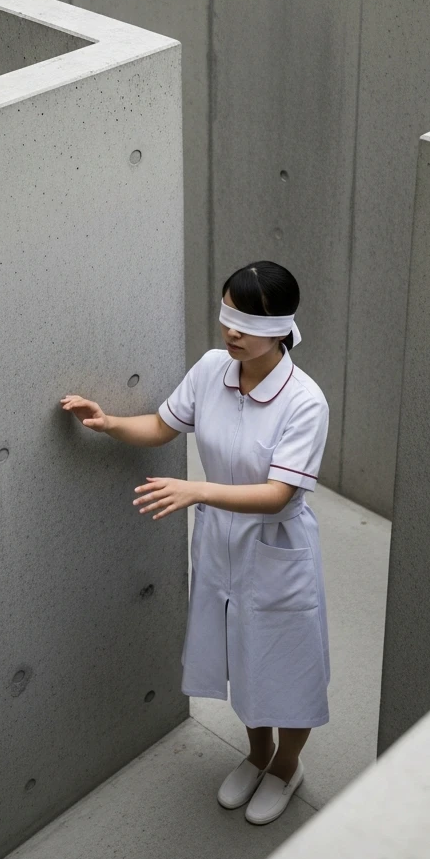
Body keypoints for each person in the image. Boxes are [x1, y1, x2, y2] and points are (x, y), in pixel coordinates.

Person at [60, 260, 331, 826]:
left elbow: (279, 495)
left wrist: (197, 489)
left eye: (246, 320)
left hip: (276, 547)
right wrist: (108, 422)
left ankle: (286, 765)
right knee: (242, 654)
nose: (229, 329)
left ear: (280, 327)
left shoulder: (305, 401)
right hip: (220, 544)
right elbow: (162, 425)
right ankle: (255, 754)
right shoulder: (213, 368)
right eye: (226, 311)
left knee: (286, 663)